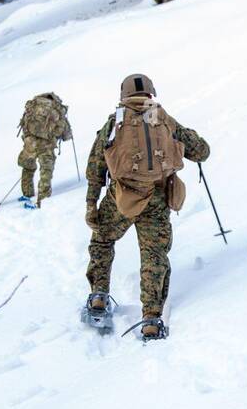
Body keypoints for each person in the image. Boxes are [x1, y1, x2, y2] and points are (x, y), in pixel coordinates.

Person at [84, 74, 210, 339]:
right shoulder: (161, 118)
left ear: (123, 94)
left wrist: (91, 204)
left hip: (122, 197)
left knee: (103, 240)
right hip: (158, 198)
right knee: (154, 256)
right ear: (151, 92)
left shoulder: (115, 122)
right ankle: (151, 320)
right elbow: (201, 151)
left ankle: (98, 298)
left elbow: (96, 166)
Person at [16, 92, 72, 208]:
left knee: (28, 167)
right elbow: (65, 133)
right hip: (47, 145)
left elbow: (24, 123)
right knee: (45, 171)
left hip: (30, 143)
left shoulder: (34, 104)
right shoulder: (57, 109)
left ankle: (27, 194)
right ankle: (43, 199)